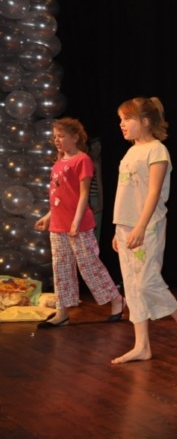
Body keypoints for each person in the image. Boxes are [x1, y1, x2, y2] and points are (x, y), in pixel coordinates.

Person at [111, 97, 177, 364]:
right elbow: (127, 194)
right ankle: (142, 346)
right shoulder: (130, 152)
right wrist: (120, 228)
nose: (122, 124)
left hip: (147, 226)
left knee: (147, 282)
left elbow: (153, 193)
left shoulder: (157, 150)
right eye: (121, 119)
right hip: (126, 226)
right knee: (132, 286)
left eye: (127, 119)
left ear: (145, 121)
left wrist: (140, 225)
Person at [34, 118, 125, 328]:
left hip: (78, 224)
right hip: (58, 224)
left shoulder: (82, 160)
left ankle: (116, 300)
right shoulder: (58, 163)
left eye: (61, 136)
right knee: (61, 268)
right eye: (55, 137)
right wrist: (48, 216)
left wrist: (76, 221)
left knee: (89, 265)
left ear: (74, 137)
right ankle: (62, 313)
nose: (57, 140)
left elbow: (83, 194)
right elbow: (60, 195)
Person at [88, 136, 104, 243]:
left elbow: (100, 185)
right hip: (91, 199)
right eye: (94, 146)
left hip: (95, 199)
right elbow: (99, 185)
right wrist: (100, 205)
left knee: (95, 231)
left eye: (99, 145)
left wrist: (101, 205)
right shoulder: (91, 162)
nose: (97, 148)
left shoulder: (99, 162)